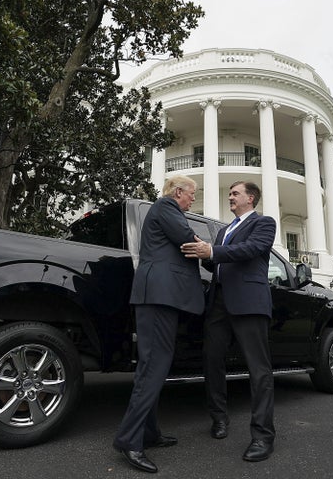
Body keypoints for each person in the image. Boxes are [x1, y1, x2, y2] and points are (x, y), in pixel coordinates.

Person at [112, 175, 205, 473]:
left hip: (160, 296)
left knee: (152, 366)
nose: (193, 199)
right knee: (154, 366)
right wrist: (207, 247)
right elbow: (189, 241)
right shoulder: (167, 207)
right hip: (159, 296)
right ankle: (129, 439)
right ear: (178, 192)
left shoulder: (166, 209)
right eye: (192, 194)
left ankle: (149, 433)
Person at [181, 181, 276, 462]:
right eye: (230, 193)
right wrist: (202, 252)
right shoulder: (224, 230)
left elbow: (251, 250)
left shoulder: (264, 223)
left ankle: (262, 437)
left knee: (259, 370)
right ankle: (219, 418)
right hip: (218, 304)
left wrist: (212, 252)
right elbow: (216, 263)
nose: (230, 197)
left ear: (250, 198)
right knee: (212, 361)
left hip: (249, 302)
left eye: (235, 193)